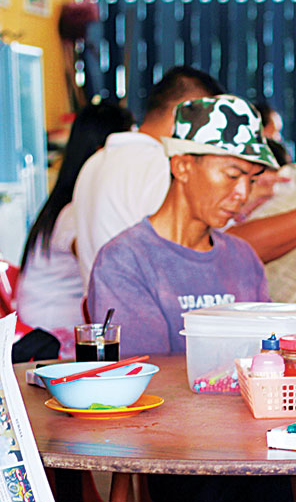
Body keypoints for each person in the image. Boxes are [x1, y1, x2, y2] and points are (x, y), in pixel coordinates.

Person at [75, 66, 296, 287]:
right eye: (230, 173)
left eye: (247, 177)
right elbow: (230, 251)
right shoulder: (156, 164)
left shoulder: (97, 162)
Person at [87, 94, 277, 355]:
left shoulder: (244, 258)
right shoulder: (123, 262)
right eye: (232, 175)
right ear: (182, 166)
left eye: (252, 180)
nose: (243, 194)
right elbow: (147, 376)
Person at [73, 66, 225, 288]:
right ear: (181, 115)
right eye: (213, 124)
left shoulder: (95, 161)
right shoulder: (161, 165)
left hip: (105, 312)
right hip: (146, 309)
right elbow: (187, 256)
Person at [16, 101, 134, 357]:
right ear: (103, 151)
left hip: (47, 322)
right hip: (52, 335)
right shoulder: (73, 211)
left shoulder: (65, 202)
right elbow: (103, 260)